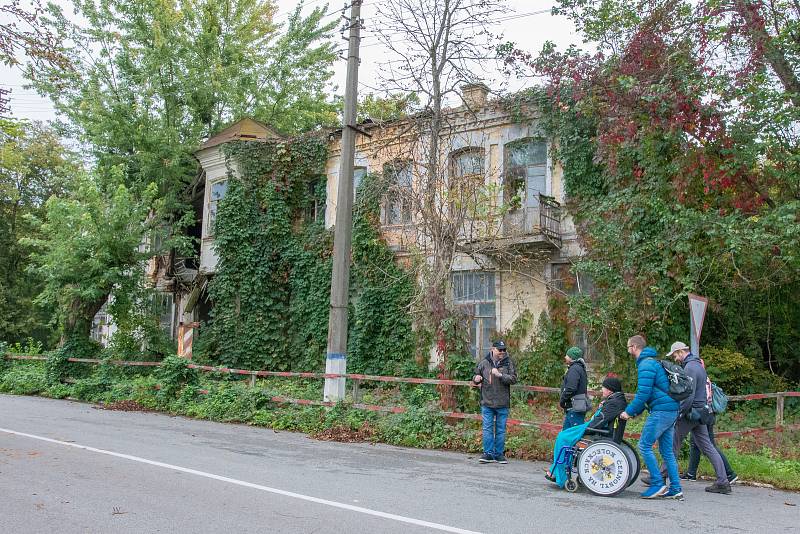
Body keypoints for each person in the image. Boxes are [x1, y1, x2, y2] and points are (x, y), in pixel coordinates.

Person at [660, 341, 732, 494]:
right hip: (701, 412)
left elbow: (688, 394)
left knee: (674, 443)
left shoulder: (690, 367)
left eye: (674, 355)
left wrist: (680, 412)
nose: (674, 358)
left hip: (691, 413)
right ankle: (723, 481)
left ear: (680, 352)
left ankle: (660, 477)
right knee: (707, 447)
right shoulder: (698, 365)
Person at [619, 335, 683, 499]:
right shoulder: (652, 362)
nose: (628, 351)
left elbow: (643, 394)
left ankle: (657, 484)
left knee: (644, 445)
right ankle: (675, 488)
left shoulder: (646, 364)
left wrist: (629, 412)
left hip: (661, 411)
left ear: (634, 347)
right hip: (671, 409)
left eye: (628, 347)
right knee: (666, 451)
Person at [546, 376, 627, 487]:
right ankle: (556, 470)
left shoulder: (613, 402)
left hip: (598, 430)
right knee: (564, 436)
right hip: (603, 429)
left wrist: (588, 428)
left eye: (603, 387)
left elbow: (599, 421)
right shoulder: (616, 400)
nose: (602, 390)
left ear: (610, 389)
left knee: (563, 437)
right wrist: (602, 407)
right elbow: (604, 417)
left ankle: (559, 474)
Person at [472, 340, 517, 464]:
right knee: (487, 429)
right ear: (493, 349)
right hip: (487, 402)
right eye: (500, 350)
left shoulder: (509, 363)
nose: (502, 352)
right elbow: (475, 375)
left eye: (504, 350)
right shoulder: (484, 362)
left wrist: (500, 375)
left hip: (502, 403)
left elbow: (513, 379)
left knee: (501, 429)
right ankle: (488, 454)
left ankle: (499, 454)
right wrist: (476, 379)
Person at [559, 346, 589, 429]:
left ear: (571, 358)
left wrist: (562, 399)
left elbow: (571, 388)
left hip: (575, 407)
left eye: (567, 355)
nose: (565, 357)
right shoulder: (578, 368)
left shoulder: (575, 369)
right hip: (574, 407)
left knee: (575, 433)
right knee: (566, 434)